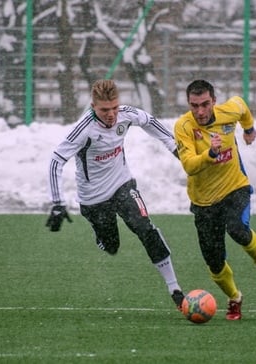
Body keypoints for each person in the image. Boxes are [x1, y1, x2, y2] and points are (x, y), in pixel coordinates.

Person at [46, 79, 185, 310]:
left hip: (123, 185)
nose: (111, 115)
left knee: (144, 227)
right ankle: (100, 234)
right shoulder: (84, 129)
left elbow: (149, 121)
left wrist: (174, 147)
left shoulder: (126, 115)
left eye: (114, 108)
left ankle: (175, 288)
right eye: (104, 110)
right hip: (93, 199)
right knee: (111, 246)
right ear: (93, 107)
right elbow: (56, 161)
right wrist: (58, 203)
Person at [173, 79, 256, 321]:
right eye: (194, 106)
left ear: (214, 101)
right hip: (203, 203)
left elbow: (242, 106)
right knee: (214, 262)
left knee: (238, 229)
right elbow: (189, 165)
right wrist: (210, 154)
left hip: (235, 188)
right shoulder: (183, 126)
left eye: (205, 104)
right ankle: (235, 298)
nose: (200, 111)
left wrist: (249, 129)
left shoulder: (227, 112)